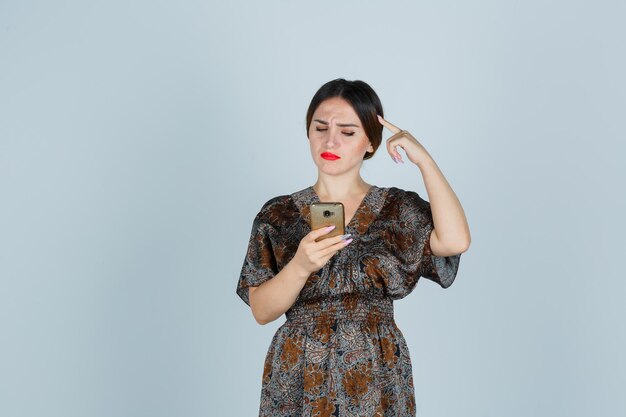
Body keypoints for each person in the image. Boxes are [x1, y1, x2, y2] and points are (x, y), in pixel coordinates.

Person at [236, 78, 471, 416]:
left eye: (347, 132)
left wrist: (425, 161)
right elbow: (261, 310)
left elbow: (455, 240)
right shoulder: (279, 214)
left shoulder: (397, 209)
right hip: (299, 370)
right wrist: (300, 265)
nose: (330, 140)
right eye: (320, 128)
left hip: (376, 366)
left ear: (370, 143)